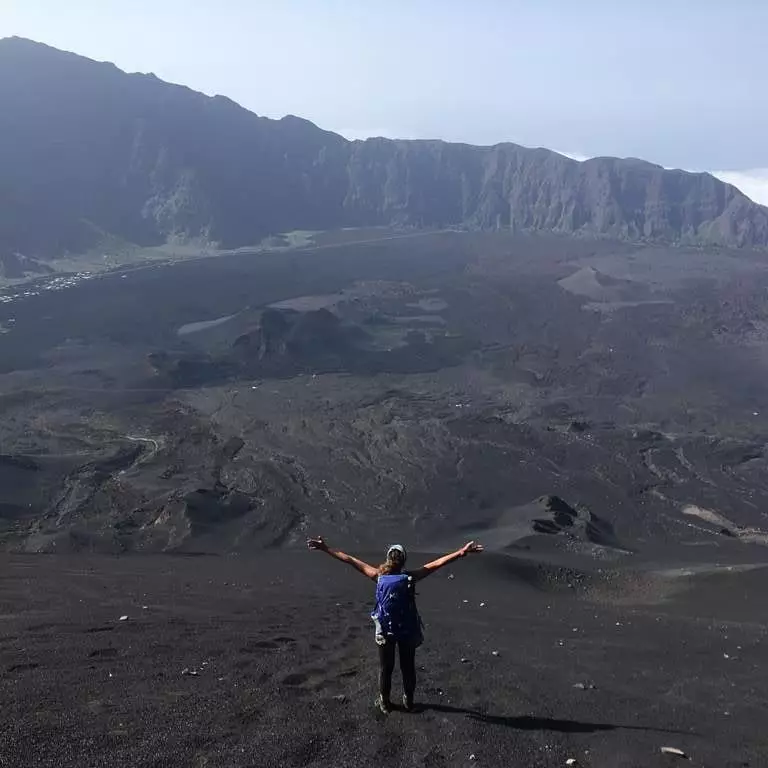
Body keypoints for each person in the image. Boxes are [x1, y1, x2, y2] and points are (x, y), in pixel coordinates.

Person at [306, 536, 484, 714]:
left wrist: (325, 548)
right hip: (407, 629)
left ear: (388, 558)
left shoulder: (378, 576)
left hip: (384, 629)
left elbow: (350, 560)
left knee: (386, 668)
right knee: (408, 667)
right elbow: (437, 563)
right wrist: (461, 553)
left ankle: (384, 702)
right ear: (403, 560)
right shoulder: (410, 577)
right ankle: (408, 701)